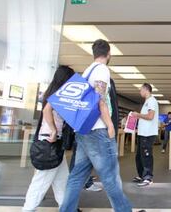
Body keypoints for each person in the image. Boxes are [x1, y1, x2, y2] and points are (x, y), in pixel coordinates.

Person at [60, 39, 132, 212]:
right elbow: (99, 99)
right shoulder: (101, 70)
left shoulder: (86, 72)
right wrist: (110, 125)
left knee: (77, 176)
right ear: (108, 54)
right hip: (97, 130)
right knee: (110, 178)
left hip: (83, 131)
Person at [22, 66, 74, 212]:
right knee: (41, 182)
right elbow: (46, 111)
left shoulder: (53, 92)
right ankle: (28, 209)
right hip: (49, 142)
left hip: (53, 143)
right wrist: (53, 130)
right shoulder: (58, 93)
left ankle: (66, 208)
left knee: (62, 180)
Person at [131, 83, 159, 187]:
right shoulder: (146, 102)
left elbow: (150, 116)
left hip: (148, 134)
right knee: (139, 156)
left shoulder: (151, 101)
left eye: (140, 90)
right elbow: (145, 117)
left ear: (146, 90)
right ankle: (142, 175)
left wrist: (138, 115)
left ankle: (148, 178)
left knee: (146, 156)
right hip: (142, 133)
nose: (140, 92)